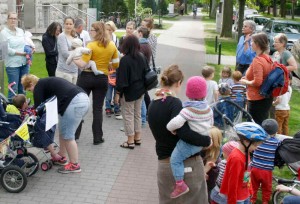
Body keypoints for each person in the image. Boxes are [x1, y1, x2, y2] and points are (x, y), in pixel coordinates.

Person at [148, 64, 211, 203]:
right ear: (179, 83)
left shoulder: (152, 104)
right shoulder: (175, 104)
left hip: (163, 164)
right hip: (186, 166)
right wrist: (206, 141)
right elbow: (184, 133)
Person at [21, 74, 90, 174]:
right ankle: (62, 156)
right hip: (82, 99)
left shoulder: (39, 85)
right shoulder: (46, 82)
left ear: (31, 83)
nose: (31, 92)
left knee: (68, 136)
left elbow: (38, 108)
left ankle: (74, 165)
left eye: (29, 89)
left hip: (73, 103)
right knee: (63, 132)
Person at [166, 76, 214, 198]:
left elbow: (175, 123)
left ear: (188, 93)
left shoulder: (188, 110)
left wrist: (171, 129)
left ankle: (180, 184)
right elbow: (211, 124)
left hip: (189, 144)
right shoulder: (208, 109)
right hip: (202, 141)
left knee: (175, 159)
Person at [73, 21, 119, 144]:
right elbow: (116, 64)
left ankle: (75, 136)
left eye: (92, 30)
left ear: (97, 31)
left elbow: (82, 65)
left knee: (80, 106)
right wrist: (106, 64)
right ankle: (97, 138)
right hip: (102, 78)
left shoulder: (91, 46)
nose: (89, 32)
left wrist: (74, 58)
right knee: (98, 109)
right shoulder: (112, 45)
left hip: (86, 77)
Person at [220, 122, 268, 204]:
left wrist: (249, 188)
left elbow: (247, 172)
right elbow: (232, 183)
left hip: (245, 193)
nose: (256, 148)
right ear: (245, 141)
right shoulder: (236, 158)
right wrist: (232, 201)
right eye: (255, 145)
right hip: (237, 198)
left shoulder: (246, 152)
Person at [115, 35, 147, 149]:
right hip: (140, 90)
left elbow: (122, 80)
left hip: (129, 92)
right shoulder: (142, 56)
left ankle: (130, 140)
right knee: (137, 114)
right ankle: (138, 137)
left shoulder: (125, 60)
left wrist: (118, 94)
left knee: (128, 115)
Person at [240, 33, 273, 125]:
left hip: (257, 99)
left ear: (258, 44)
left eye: (252, 42)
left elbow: (258, 82)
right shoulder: (267, 58)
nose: (251, 44)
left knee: (254, 126)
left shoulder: (258, 60)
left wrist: (245, 81)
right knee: (261, 123)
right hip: (266, 97)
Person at [251, 119, 281, 204]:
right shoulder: (276, 142)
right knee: (267, 187)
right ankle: (265, 201)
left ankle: (252, 199)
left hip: (254, 167)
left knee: (253, 186)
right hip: (266, 170)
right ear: (275, 132)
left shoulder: (256, 140)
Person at [0, 12, 28, 101]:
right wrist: (21, 53)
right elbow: (6, 50)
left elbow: (25, 42)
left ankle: (22, 110)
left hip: (24, 63)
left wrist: (30, 49)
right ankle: (11, 111)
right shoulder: (3, 33)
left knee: (23, 87)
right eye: (11, 18)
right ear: (7, 20)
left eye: (15, 18)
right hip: (12, 65)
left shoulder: (20, 31)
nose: (13, 20)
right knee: (13, 89)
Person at [136, 26, 152, 127]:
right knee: (142, 96)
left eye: (137, 33)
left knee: (140, 98)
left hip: (139, 74)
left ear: (140, 33)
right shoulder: (147, 44)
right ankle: (143, 118)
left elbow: (138, 60)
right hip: (143, 73)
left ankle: (142, 120)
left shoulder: (141, 45)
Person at [105, 21, 121, 118]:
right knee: (108, 90)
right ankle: (107, 107)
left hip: (115, 66)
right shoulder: (102, 39)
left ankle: (116, 107)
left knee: (116, 89)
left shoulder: (115, 38)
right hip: (106, 66)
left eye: (110, 29)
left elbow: (118, 52)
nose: (108, 31)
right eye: (106, 29)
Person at [55, 17, 78, 84]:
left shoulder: (75, 36)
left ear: (73, 25)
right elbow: (65, 53)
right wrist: (77, 55)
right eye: (67, 24)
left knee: (73, 93)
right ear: (64, 25)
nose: (68, 26)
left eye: (70, 24)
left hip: (74, 70)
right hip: (64, 71)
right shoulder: (62, 36)